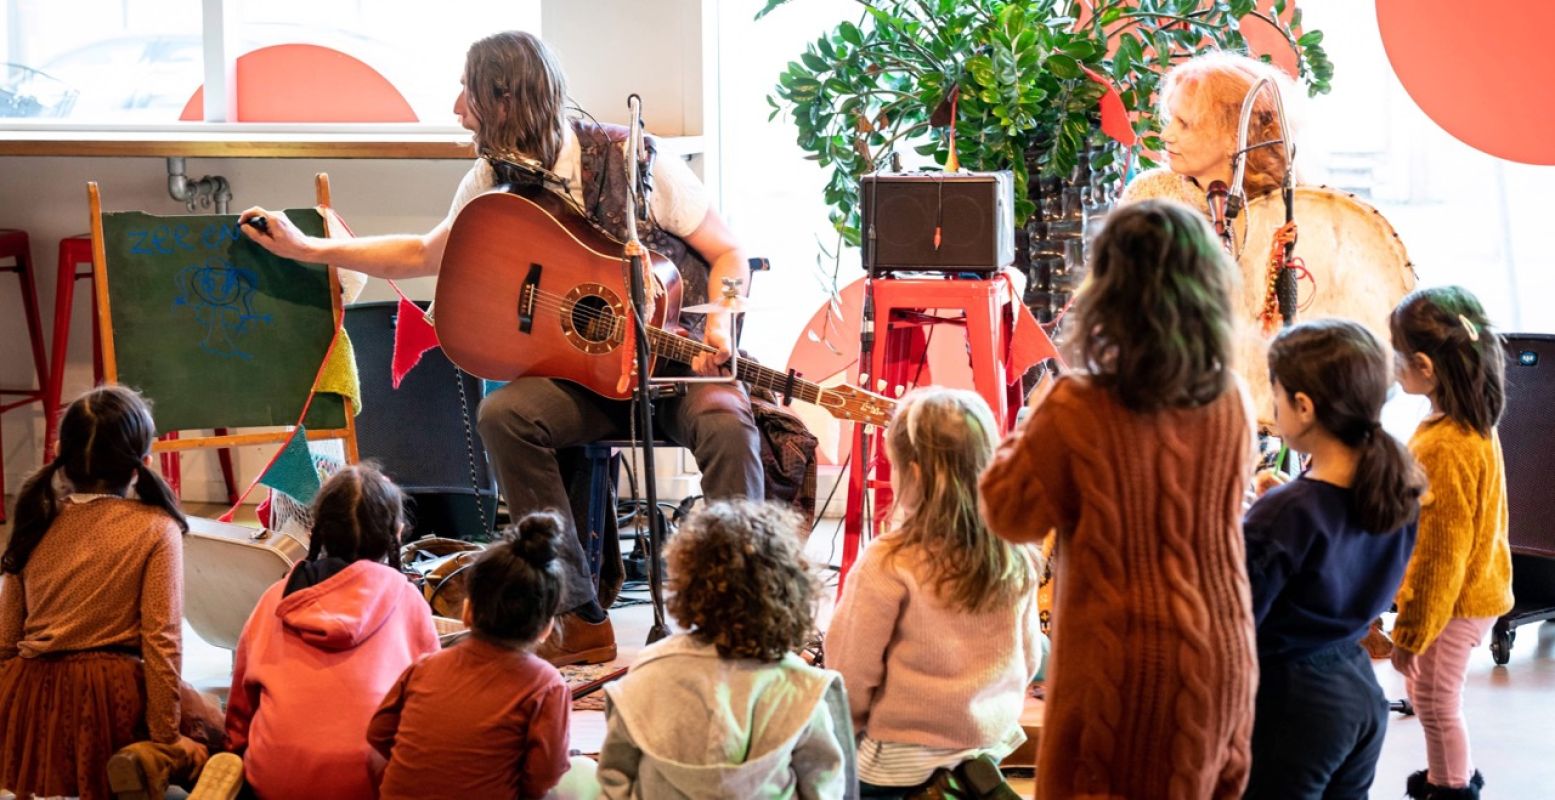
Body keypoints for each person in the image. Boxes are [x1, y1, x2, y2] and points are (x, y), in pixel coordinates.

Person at [237, 30, 763, 666]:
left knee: (729, 428)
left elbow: (728, 249)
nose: (458, 108)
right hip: (585, 382)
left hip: (673, 367)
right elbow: (426, 254)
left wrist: (721, 322)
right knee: (505, 414)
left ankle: (741, 618)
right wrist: (310, 249)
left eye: (469, 93)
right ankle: (573, 612)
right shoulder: (492, 179)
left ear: (506, 100)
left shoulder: (634, 161)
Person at [979, 200, 1257, 799]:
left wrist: (1028, 422)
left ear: (1107, 293)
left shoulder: (1078, 406)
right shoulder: (1231, 399)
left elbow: (1007, 513)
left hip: (1122, 668)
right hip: (1225, 652)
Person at [0, 386, 227, 800]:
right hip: (110, 693)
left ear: (60, 455)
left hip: (27, 690)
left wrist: (16, 714)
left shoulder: (35, 517)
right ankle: (151, 764)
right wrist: (166, 738)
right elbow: (162, 642)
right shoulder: (156, 527)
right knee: (213, 729)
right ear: (143, 464)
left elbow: (6, 641)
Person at [826, 388, 1043, 798]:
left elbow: (849, 671)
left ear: (917, 476)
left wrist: (847, 734)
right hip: (983, 747)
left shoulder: (888, 561)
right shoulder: (1015, 551)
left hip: (897, 761)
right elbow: (1029, 656)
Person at [1241, 320, 1423, 798]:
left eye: (1276, 395)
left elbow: (1232, 624)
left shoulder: (1284, 515)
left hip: (1292, 705)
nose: (1274, 407)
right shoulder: (1397, 490)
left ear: (1303, 407)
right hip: (1360, 693)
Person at [595, 500, 856, 798]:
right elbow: (825, 785)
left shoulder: (647, 672)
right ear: (790, 591)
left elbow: (615, 775)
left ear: (687, 583)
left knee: (577, 773)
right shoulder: (801, 688)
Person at [224, 464, 440, 800]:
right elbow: (430, 709)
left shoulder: (276, 598)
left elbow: (240, 711)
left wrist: (239, 759)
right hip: (371, 786)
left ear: (319, 529)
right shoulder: (408, 600)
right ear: (396, 533)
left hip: (275, 784)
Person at [1389, 287, 1514, 800]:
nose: (1390, 362)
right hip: (1472, 592)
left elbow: (1440, 560)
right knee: (1431, 695)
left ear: (1423, 366)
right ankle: (1449, 780)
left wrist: (1410, 636)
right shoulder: (1467, 423)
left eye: (1395, 352)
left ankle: (1451, 788)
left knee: (1438, 704)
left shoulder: (1446, 446)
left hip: (1453, 605)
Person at [368, 512, 574, 799]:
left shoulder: (424, 666)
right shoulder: (547, 685)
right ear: (546, 628)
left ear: (467, 612)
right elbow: (542, 777)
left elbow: (378, 735)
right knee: (577, 780)